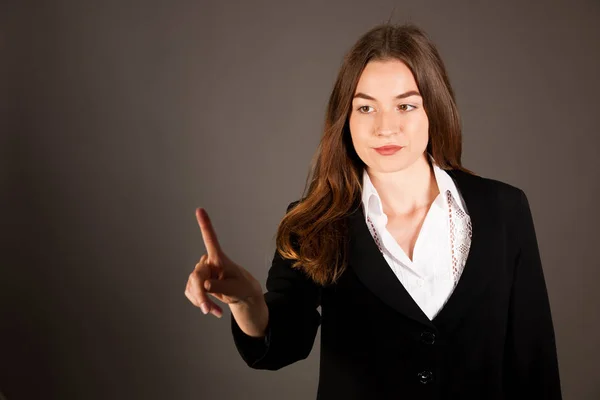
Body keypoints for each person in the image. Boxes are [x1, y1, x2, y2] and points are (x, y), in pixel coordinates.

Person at [184, 22, 562, 399]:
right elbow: (282, 343)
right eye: (366, 107)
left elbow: (533, 363)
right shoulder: (314, 222)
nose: (385, 127)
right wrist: (247, 301)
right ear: (345, 119)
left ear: (434, 108)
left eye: (405, 105)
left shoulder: (504, 209)